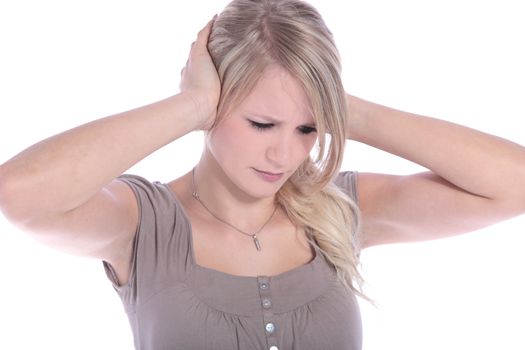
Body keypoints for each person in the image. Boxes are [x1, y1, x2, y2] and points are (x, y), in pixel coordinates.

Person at [0, 0, 524, 349]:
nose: (283, 154)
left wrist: (348, 113)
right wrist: (190, 104)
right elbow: (20, 192)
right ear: (215, 106)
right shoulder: (145, 224)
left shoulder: (339, 210)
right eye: (261, 122)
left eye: (307, 128)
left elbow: (513, 183)